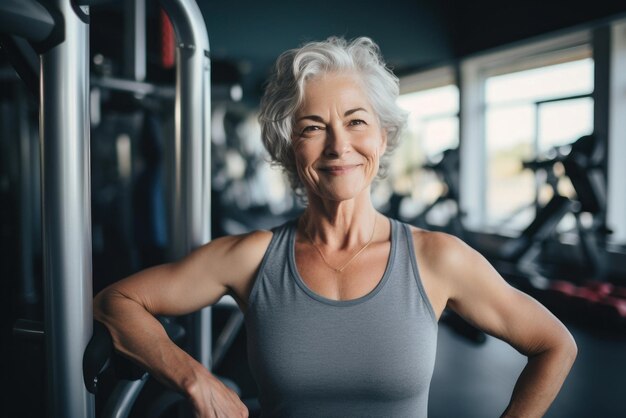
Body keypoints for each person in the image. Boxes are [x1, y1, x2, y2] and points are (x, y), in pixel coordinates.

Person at [94, 37, 577, 418]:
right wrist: (191, 375)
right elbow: (115, 301)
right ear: (288, 147)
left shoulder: (437, 258)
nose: (338, 146)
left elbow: (555, 344)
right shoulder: (253, 257)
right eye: (312, 127)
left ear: (383, 136)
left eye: (356, 121)